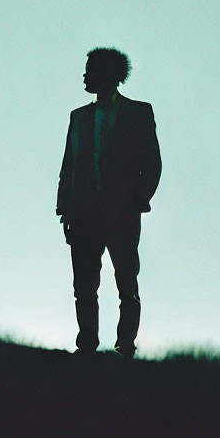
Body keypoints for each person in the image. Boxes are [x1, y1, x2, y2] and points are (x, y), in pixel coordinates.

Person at [56, 47, 161, 358]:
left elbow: (152, 164)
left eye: (91, 68)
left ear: (110, 74)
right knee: (84, 287)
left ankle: (125, 347)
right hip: (85, 213)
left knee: (126, 282)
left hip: (123, 213)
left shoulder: (140, 112)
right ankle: (86, 345)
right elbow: (68, 167)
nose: (85, 74)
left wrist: (138, 199)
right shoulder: (78, 117)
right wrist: (65, 210)